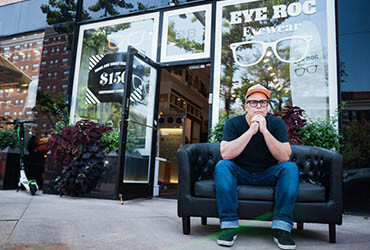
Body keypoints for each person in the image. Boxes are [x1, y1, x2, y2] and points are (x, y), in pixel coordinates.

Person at [214, 84, 299, 250]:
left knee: (290, 168)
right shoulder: (233, 123)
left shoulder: (276, 124)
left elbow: (284, 156)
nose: (258, 106)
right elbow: (225, 153)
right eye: (253, 102)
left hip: (268, 173)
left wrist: (265, 131)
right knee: (223, 165)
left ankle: (282, 229)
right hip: (240, 172)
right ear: (246, 106)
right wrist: (252, 131)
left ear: (267, 106)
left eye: (263, 102)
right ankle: (229, 226)